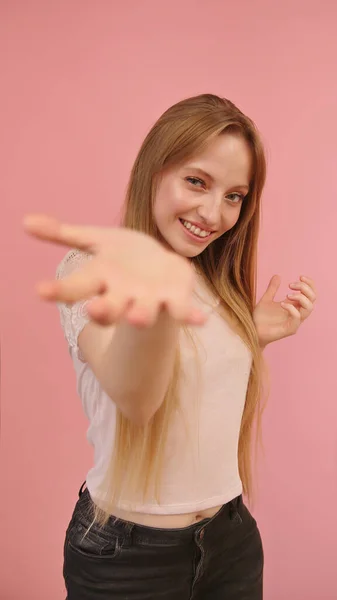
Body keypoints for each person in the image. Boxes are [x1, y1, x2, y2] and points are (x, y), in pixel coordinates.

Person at [24, 94, 316, 599]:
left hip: (231, 540)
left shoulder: (216, 281)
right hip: (127, 557)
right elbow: (137, 400)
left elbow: (201, 395)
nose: (214, 213)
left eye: (234, 195)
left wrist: (250, 336)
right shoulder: (91, 270)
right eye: (197, 182)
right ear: (153, 169)